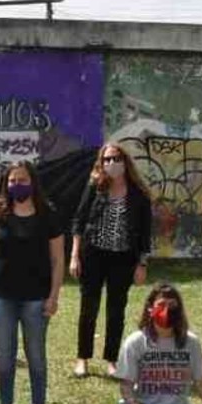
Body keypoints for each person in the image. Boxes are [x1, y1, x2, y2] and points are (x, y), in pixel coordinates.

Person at [0, 161, 64, 404]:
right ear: (6, 184)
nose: (18, 185)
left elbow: (58, 260)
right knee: (5, 355)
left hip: (36, 298)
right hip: (2, 295)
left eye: (23, 179)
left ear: (33, 181)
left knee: (35, 354)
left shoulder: (48, 214)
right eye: (13, 181)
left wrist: (54, 296)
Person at [71, 143, 153, 377]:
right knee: (89, 307)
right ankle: (82, 358)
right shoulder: (96, 186)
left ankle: (111, 360)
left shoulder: (139, 194)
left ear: (125, 161)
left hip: (123, 258)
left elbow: (145, 233)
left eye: (115, 159)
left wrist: (142, 263)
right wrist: (75, 255)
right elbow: (79, 220)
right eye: (106, 160)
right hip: (93, 254)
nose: (111, 164)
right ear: (101, 163)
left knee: (116, 309)